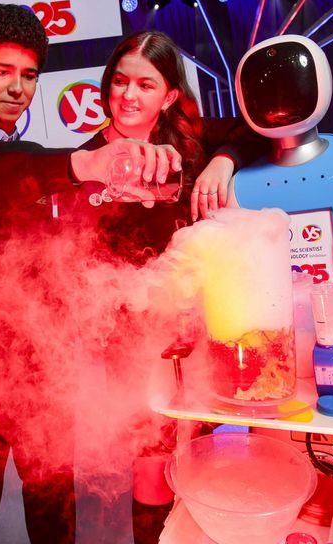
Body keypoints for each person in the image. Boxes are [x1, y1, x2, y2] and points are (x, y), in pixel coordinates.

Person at [0, 4, 183, 544]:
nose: (16, 88)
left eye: (29, 75)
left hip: (40, 366)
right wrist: (79, 166)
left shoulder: (38, 156)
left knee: (55, 509)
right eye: (1, 71)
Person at [55, 30, 270, 543]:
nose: (128, 95)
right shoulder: (87, 159)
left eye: (146, 85)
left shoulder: (192, 147)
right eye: (120, 82)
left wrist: (225, 159)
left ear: (170, 95)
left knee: (203, 458)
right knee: (149, 467)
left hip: (198, 332)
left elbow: (259, 131)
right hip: (128, 343)